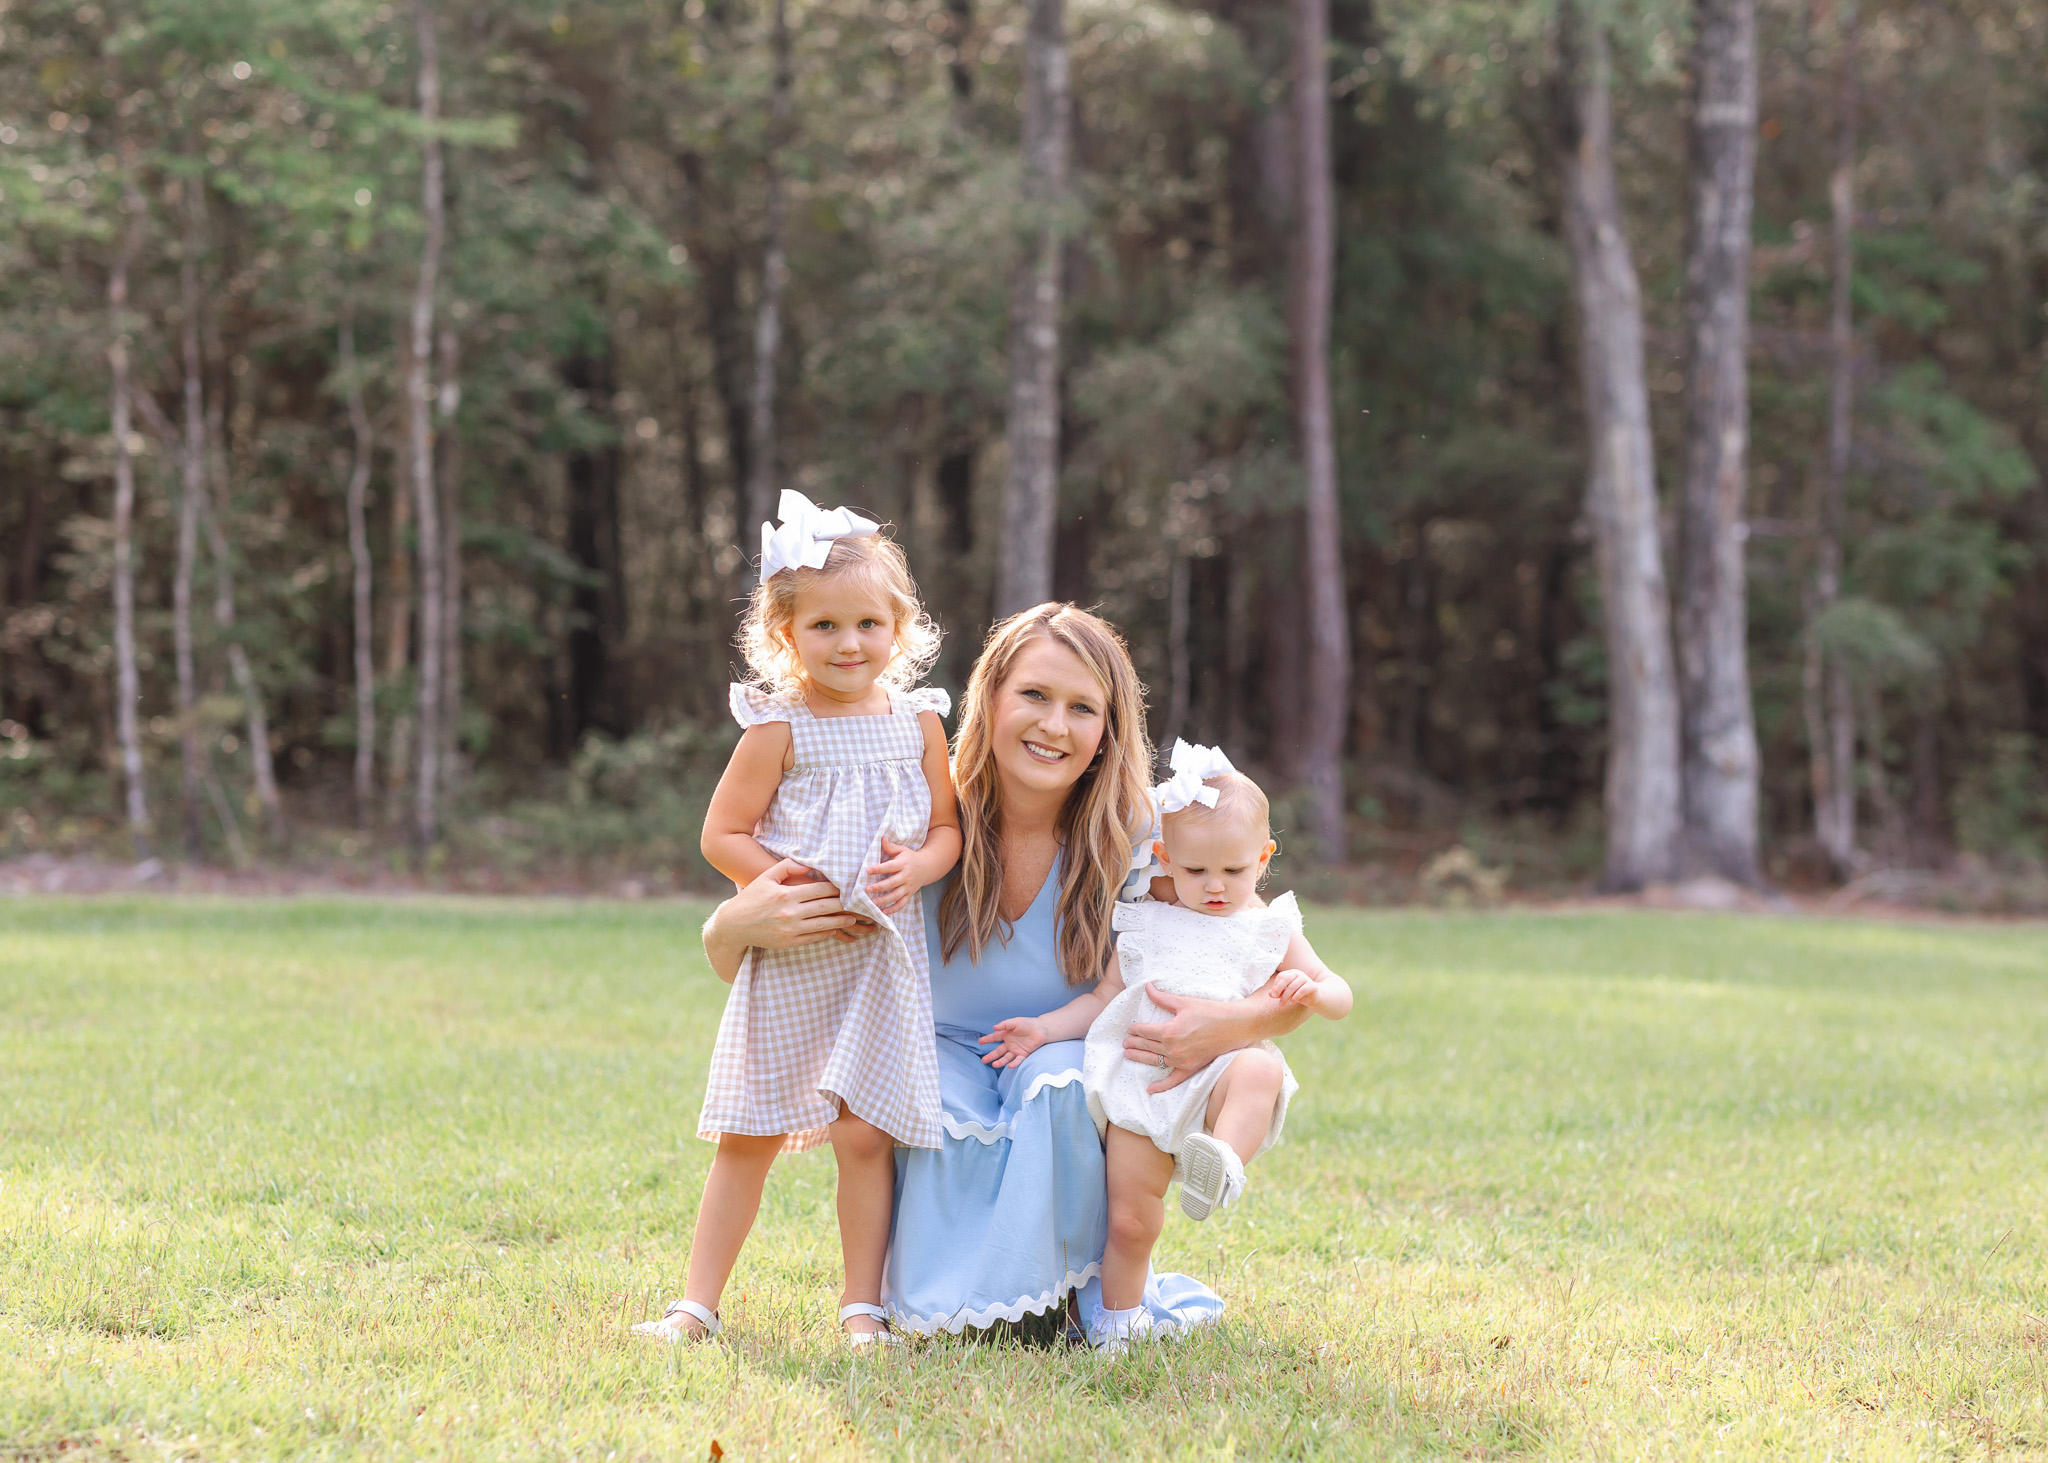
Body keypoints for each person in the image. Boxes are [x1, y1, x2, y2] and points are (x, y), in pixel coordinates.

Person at [702, 603, 1314, 1339]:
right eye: (1034, 695)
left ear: (1106, 733)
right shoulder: (923, 814)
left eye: (1082, 707)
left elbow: (1262, 945)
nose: (1054, 725)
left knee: (1059, 1083)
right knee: (932, 1100)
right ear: (989, 697)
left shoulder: (1139, 834)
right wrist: (723, 926)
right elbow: (786, 944)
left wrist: (1248, 1022)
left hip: (1063, 1045)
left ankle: (1068, 1291)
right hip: (938, 1043)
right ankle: (943, 1302)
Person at [634, 491, 959, 1348]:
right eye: (823, 626)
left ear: (900, 627)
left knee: (864, 1135)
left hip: (879, 959)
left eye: (866, 624)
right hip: (792, 952)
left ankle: (862, 1306)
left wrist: (919, 867)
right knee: (749, 1131)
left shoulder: (920, 722)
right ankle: (695, 1304)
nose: (847, 644)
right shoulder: (778, 727)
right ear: (786, 633)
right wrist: (780, 886)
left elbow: (950, 828)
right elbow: (721, 833)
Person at [979, 740, 1352, 1350]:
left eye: (1234, 871)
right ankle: (1117, 1328)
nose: (1213, 886)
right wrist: (1045, 1028)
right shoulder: (1145, 921)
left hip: (1219, 1082)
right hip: (1142, 1085)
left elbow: (1341, 995)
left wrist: (1309, 989)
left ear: (1263, 858)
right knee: (1130, 1221)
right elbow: (1104, 999)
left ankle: (1221, 1161)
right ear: (1163, 858)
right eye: (1195, 870)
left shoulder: (1269, 928)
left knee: (1259, 1069)